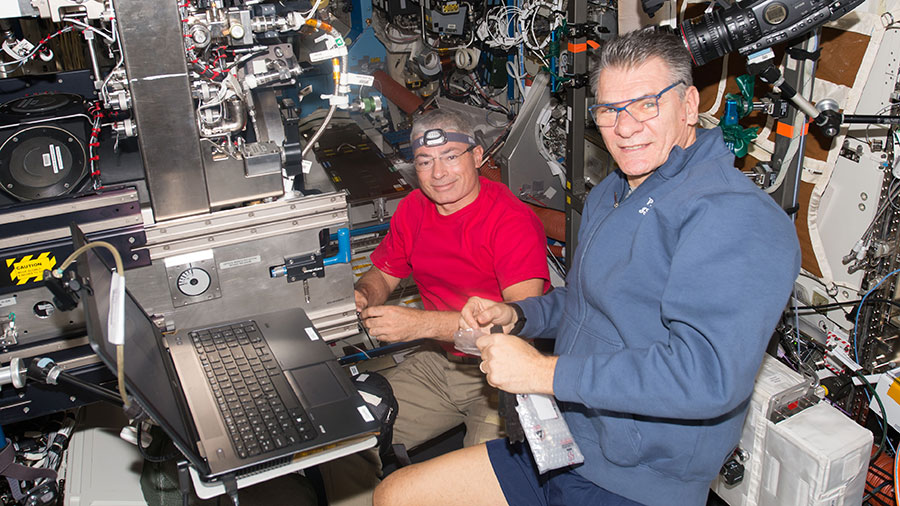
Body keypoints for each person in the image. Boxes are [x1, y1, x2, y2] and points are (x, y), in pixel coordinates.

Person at [373, 29, 801, 506]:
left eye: (646, 104)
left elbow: (707, 376)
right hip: (562, 437)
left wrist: (546, 373)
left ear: (687, 105)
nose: (625, 127)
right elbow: (585, 302)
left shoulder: (734, 216)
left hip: (635, 479)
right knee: (396, 495)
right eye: (609, 110)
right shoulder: (613, 192)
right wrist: (519, 315)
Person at [320, 108, 550, 506]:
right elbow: (383, 274)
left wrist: (420, 325)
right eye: (425, 161)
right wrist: (364, 295)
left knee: (473, 492)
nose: (438, 173)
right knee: (346, 440)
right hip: (442, 365)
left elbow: (518, 327)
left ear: (477, 156)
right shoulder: (414, 208)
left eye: (450, 156)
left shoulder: (511, 221)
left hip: (502, 378)